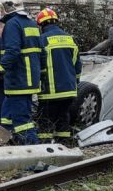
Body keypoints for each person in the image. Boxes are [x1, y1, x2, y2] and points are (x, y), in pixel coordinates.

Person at [0, 0, 41, 144]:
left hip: (19, 80)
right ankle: (10, 149)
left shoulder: (12, 24)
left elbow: (12, 53)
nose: (0, 12)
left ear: (9, 7)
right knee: (6, 116)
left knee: (22, 122)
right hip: (27, 79)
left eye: (1, 8)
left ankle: (33, 154)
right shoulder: (30, 23)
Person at [35, 7, 82, 144]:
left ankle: (45, 150)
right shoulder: (70, 39)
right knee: (63, 118)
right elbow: (77, 65)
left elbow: (38, 64)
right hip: (69, 89)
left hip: (50, 91)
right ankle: (64, 146)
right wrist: (75, 81)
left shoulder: (42, 40)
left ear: (42, 25)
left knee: (45, 121)